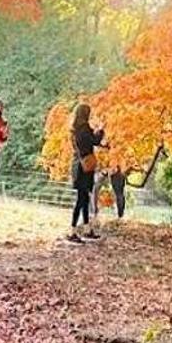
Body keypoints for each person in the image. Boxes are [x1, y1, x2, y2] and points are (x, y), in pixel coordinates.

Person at [67, 102, 105, 242]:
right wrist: (100, 130)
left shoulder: (75, 129)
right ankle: (72, 231)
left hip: (79, 165)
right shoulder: (84, 128)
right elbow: (93, 141)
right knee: (81, 199)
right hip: (85, 166)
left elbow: (86, 142)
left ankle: (87, 229)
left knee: (83, 198)